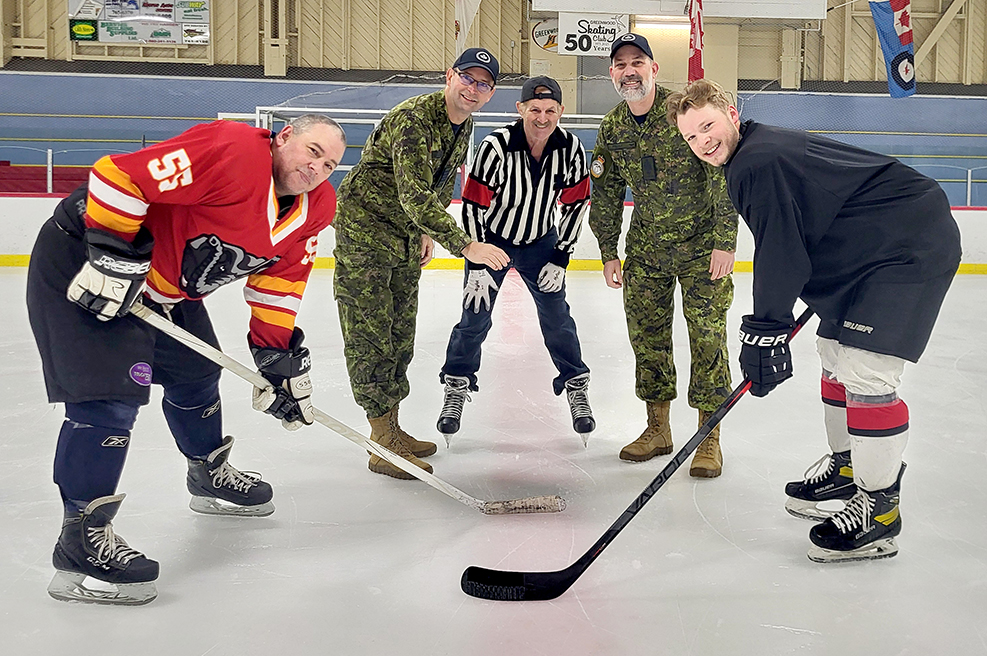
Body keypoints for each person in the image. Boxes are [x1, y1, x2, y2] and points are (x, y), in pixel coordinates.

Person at [26, 115, 347, 605]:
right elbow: (118, 176)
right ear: (284, 136)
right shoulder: (232, 150)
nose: (317, 168)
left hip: (164, 287)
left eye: (329, 164)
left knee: (197, 374)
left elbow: (280, 283)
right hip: (84, 261)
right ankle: (80, 539)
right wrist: (112, 250)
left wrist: (276, 357)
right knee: (108, 400)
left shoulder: (318, 207)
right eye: (312, 151)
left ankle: (207, 471)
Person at [667, 78, 961, 562]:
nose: (702, 141)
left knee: (866, 369)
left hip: (906, 247)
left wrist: (765, 330)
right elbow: (795, 233)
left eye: (708, 126)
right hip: (868, 249)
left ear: (731, 114)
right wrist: (768, 327)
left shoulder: (756, 161)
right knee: (833, 351)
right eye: (691, 136)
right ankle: (847, 468)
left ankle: (880, 509)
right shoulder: (751, 155)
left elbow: (779, 249)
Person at [333, 48, 511, 480]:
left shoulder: (462, 124)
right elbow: (414, 194)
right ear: (449, 76)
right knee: (371, 335)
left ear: (490, 93)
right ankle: (381, 442)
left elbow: (436, 184)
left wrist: (425, 231)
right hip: (365, 231)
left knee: (399, 332)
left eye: (483, 84)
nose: (473, 89)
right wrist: (465, 244)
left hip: (404, 234)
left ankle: (392, 429)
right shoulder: (415, 119)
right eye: (467, 78)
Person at [588, 33, 737, 476]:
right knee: (647, 338)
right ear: (612, 74)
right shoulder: (613, 128)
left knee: (708, 339)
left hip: (701, 249)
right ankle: (657, 429)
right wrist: (608, 251)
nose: (629, 71)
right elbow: (606, 192)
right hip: (646, 250)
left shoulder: (682, 114)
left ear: (653, 68)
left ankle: (709, 437)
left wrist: (725, 241)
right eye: (620, 65)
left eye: (637, 62)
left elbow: (721, 174)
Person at [436, 76, 594, 444]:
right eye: (535, 109)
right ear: (520, 108)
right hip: (493, 242)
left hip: (541, 243)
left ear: (561, 111)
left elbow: (576, 205)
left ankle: (575, 385)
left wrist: (561, 256)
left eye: (550, 110)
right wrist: (476, 258)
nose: (542, 117)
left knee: (557, 318)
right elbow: (473, 204)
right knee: (474, 317)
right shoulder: (496, 146)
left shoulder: (570, 148)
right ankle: (456, 384)